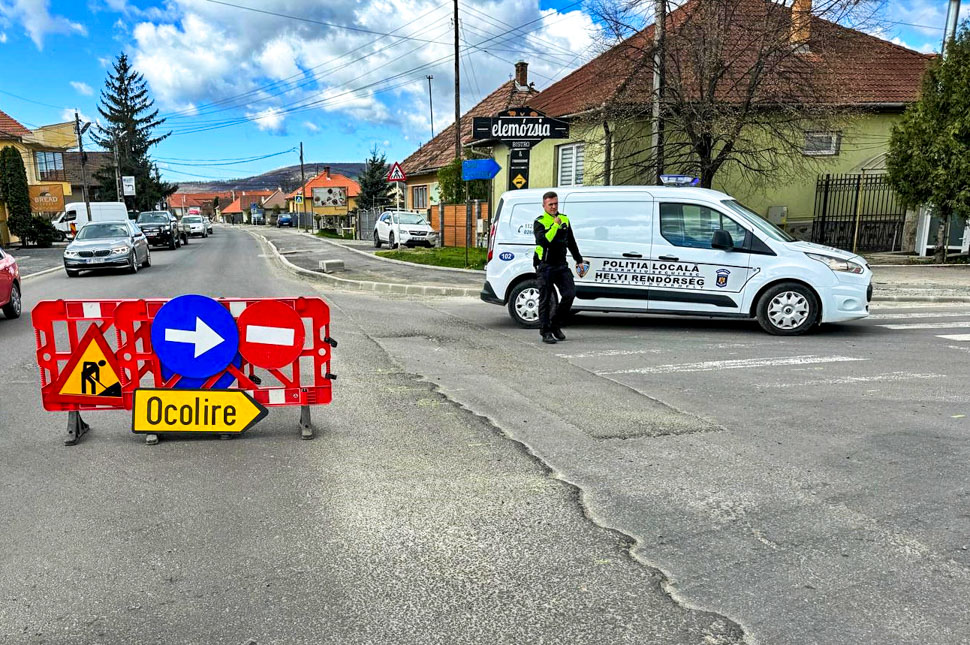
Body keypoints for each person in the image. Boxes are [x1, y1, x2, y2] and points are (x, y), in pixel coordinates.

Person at [533, 191, 586, 344]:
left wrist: (579, 260)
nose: (554, 207)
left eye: (556, 203)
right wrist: (555, 225)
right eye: (550, 204)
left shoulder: (565, 219)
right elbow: (544, 241)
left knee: (570, 294)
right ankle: (545, 331)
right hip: (546, 266)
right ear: (544, 206)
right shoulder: (540, 222)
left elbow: (571, 241)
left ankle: (555, 324)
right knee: (545, 300)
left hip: (561, 265)